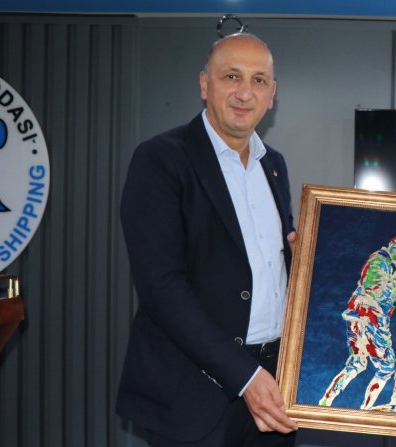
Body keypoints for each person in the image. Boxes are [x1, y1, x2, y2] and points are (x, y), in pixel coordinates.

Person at [117, 32, 298, 446]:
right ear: (204, 84)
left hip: (275, 386)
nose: (245, 92)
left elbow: (267, 266)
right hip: (194, 395)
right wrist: (245, 376)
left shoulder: (274, 165)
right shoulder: (160, 159)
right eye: (231, 76)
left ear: (271, 94)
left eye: (258, 80)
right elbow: (162, 287)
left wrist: (302, 260)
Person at [319, 230, 396, 409]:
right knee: (387, 365)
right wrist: (393, 284)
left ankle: (326, 401)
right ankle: (365, 410)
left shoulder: (383, 263)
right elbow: (374, 292)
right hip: (370, 317)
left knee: (357, 363)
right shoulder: (379, 261)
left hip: (361, 316)